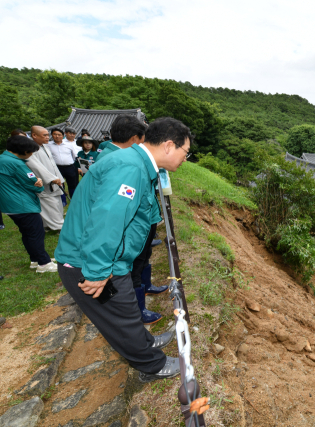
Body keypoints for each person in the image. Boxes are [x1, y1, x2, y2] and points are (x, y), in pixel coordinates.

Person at [55, 117, 192, 382]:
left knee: (126, 311)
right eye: (185, 152)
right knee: (122, 318)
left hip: (103, 258)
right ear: (168, 146)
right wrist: (96, 272)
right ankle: (152, 366)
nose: (185, 159)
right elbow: (108, 220)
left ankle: (146, 342)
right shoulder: (130, 169)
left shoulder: (134, 163)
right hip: (91, 262)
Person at [96, 115, 166, 324]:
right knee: (134, 264)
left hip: (146, 218)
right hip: (133, 225)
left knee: (144, 257)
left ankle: (146, 287)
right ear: (136, 138)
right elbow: (116, 208)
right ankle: (139, 310)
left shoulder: (126, 158)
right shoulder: (120, 162)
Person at [0, 135, 57, 272]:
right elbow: (34, 185)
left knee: (27, 233)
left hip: (10, 204)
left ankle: (35, 259)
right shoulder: (17, 163)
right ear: (23, 151)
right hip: (23, 204)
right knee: (36, 233)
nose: (31, 155)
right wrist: (39, 182)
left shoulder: (3, 159)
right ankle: (44, 263)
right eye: (31, 152)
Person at [28, 126, 65, 231]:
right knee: (49, 204)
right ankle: (59, 227)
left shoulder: (44, 146)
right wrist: (51, 178)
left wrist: (59, 179)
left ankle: (48, 225)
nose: (48, 137)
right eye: (44, 135)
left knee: (56, 203)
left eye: (48, 135)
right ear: (34, 135)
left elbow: (52, 164)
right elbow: (36, 166)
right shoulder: (30, 148)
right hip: (44, 182)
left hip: (55, 180)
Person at [49, 128, 79, 198]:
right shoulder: (48, 145)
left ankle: (73, 198)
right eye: (55, 134)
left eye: (59, 135)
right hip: (57, 167)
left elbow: (74, 156)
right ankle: (63, 200)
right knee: (60, 184)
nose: (57, 136)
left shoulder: (68, 145)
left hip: (70, 167)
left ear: (62, 136)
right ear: (52, 135)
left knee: (72, 184)